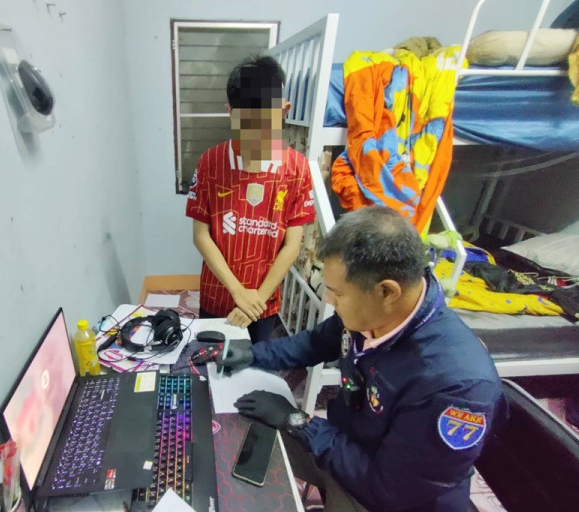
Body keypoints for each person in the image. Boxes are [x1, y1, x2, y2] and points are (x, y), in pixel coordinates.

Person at [217, 205, 508, 512]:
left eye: (337, 293)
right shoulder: (371, 311)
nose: (328, 299)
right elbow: (317, 342)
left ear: (387, 292)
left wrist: (298, 422)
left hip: (389, 498)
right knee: (242, 428)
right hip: (350, 444)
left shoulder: (456, 386)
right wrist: (253, 354)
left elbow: (391, 489)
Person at [185, 55, 316, 342]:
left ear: (284, 110)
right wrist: (237, 291)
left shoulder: (297, 169)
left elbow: (292, 245)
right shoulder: (210, 162)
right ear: (230, 112)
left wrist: (255, 300)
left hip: (262, 303)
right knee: (209, 359)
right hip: (217, 295)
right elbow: (201, 235)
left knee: (255, 362)